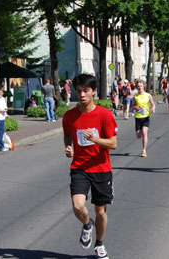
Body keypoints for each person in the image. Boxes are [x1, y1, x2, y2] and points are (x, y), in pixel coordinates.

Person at [63, 74, 117, 259]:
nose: (82, 95)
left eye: (86, 91)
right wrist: (68, 147)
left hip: (101, 168)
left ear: (93, 91)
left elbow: (113, 143)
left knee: (100, 211)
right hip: (79, 167)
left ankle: (100, 244)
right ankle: (87, 225)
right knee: (78, 206)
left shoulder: (104, 114)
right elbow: (67, 134)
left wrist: (95, 139)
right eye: (78, 91)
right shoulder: (70, 115)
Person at [131, 80, 156, 157]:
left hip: (146, 117)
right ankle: (140, 132)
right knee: (138, 136)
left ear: (144, 86)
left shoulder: (148, 95)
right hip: (138, 117)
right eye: (138, 86)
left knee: (145, 132)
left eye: (141, 86)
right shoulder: (135, 96)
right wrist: (135, 107)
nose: (140, 87)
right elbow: (132, 106)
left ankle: (144, 150)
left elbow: (153, 104)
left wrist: (153, 109)